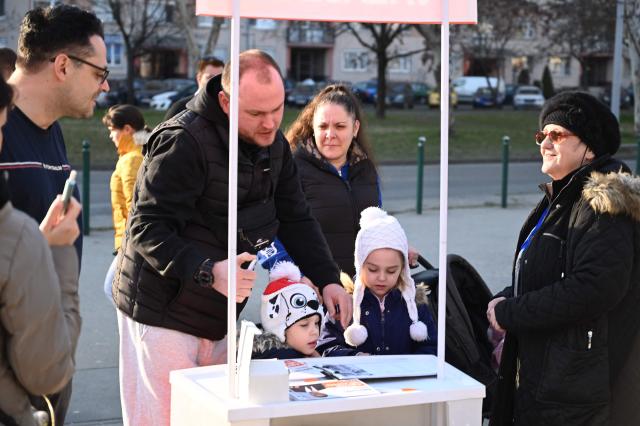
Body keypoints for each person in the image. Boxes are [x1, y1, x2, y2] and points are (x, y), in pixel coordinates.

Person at [113, 49, 351, 425]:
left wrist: (327, 279)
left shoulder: (274, 144)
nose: (271, 123)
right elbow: (146, 227)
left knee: (210, 417)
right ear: (225, 101)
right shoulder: (183, 140)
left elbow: (295, 217)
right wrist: (209, 271)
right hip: (161, 310)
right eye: (256, 113)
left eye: (278, 109)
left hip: (220, 313)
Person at [486, 91, 640, 425]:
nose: (545, 143)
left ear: (589, 148)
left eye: (557, 135)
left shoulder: (602, 204)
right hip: (546, 378)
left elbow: (596, 287)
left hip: (573, 389)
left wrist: (511, 312)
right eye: (542, 135)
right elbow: (551, 273)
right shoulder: (560, 197)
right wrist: (508, 296)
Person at [0, 5, 108, 422]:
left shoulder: (52, 129)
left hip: (48, 359)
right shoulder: (5, 131)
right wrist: (37, 247)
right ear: (63, 65)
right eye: (99, 73)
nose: (104, 86)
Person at [0, 77, 83, 426]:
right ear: (62, 66)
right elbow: (48, 373)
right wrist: (56, 252)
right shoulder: (15, 234)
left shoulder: (54, 132)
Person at [285, 84, 380, 277]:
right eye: (323, 126)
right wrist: (296, 276)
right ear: (312, 127)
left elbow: (377, 224)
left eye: (340, 126)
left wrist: (395, 246)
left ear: (355, 128)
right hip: (312, 288)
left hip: (361, 286)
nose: (330, 135)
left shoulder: (366, 169)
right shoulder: (293, 169)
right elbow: (276, 231)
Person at [317, 207, 437, 357]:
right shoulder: (345, 301)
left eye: (391, 271)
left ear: (403, 269)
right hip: (359, 378)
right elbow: (326, 347)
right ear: (360, 264)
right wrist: (353, 358)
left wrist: (410, 365)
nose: (381, 277)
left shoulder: (414, 302)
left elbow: (431, 347)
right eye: (373, 269)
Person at [101, 104, 150, 303]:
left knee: (113, 290)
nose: (111, 137)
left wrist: (131, 241)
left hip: (132, 239)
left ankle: (136, 335)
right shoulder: (140, 152)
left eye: (113, 131)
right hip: (132, 238)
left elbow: (134, 205)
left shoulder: (131, 159)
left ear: (127, 129)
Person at [253, 261, 324, 359]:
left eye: (316, 323)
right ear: (278, 328)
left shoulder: (299, 352)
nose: (315, 331)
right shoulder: (280, 361)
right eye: (304, 325)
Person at [163, 56, 224, 120]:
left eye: (219, 77)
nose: (215, 81)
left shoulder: (228, 109)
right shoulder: (180, 107)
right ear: (199, 78)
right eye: (209, 77)